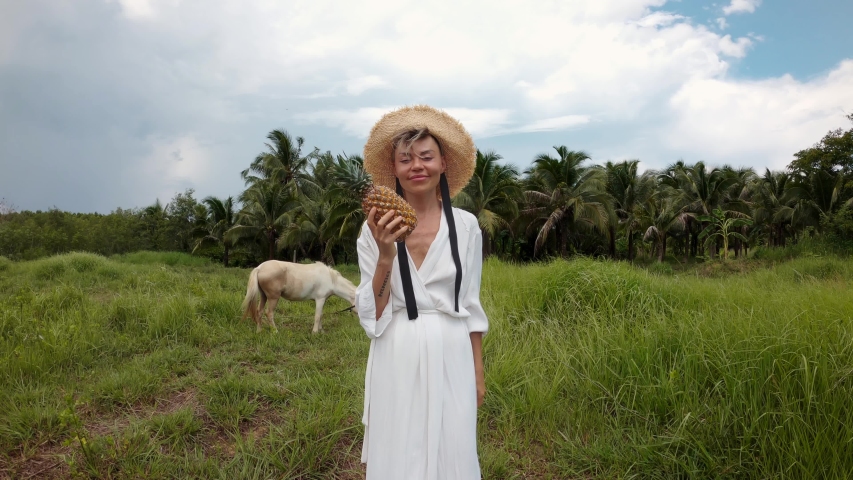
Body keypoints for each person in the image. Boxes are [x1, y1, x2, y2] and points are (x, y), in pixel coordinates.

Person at [355, 105, 488, 480]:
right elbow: (374, 314)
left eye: (426, 157)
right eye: (405, 159)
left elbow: (471, 305)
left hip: (452, 352)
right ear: (394, 169)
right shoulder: (373, 229)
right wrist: (385, 255)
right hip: (397, 351)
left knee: (454, 446)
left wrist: (477, 372)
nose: (417, 166)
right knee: (401, 448)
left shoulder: (466, 226)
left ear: (443, 163)